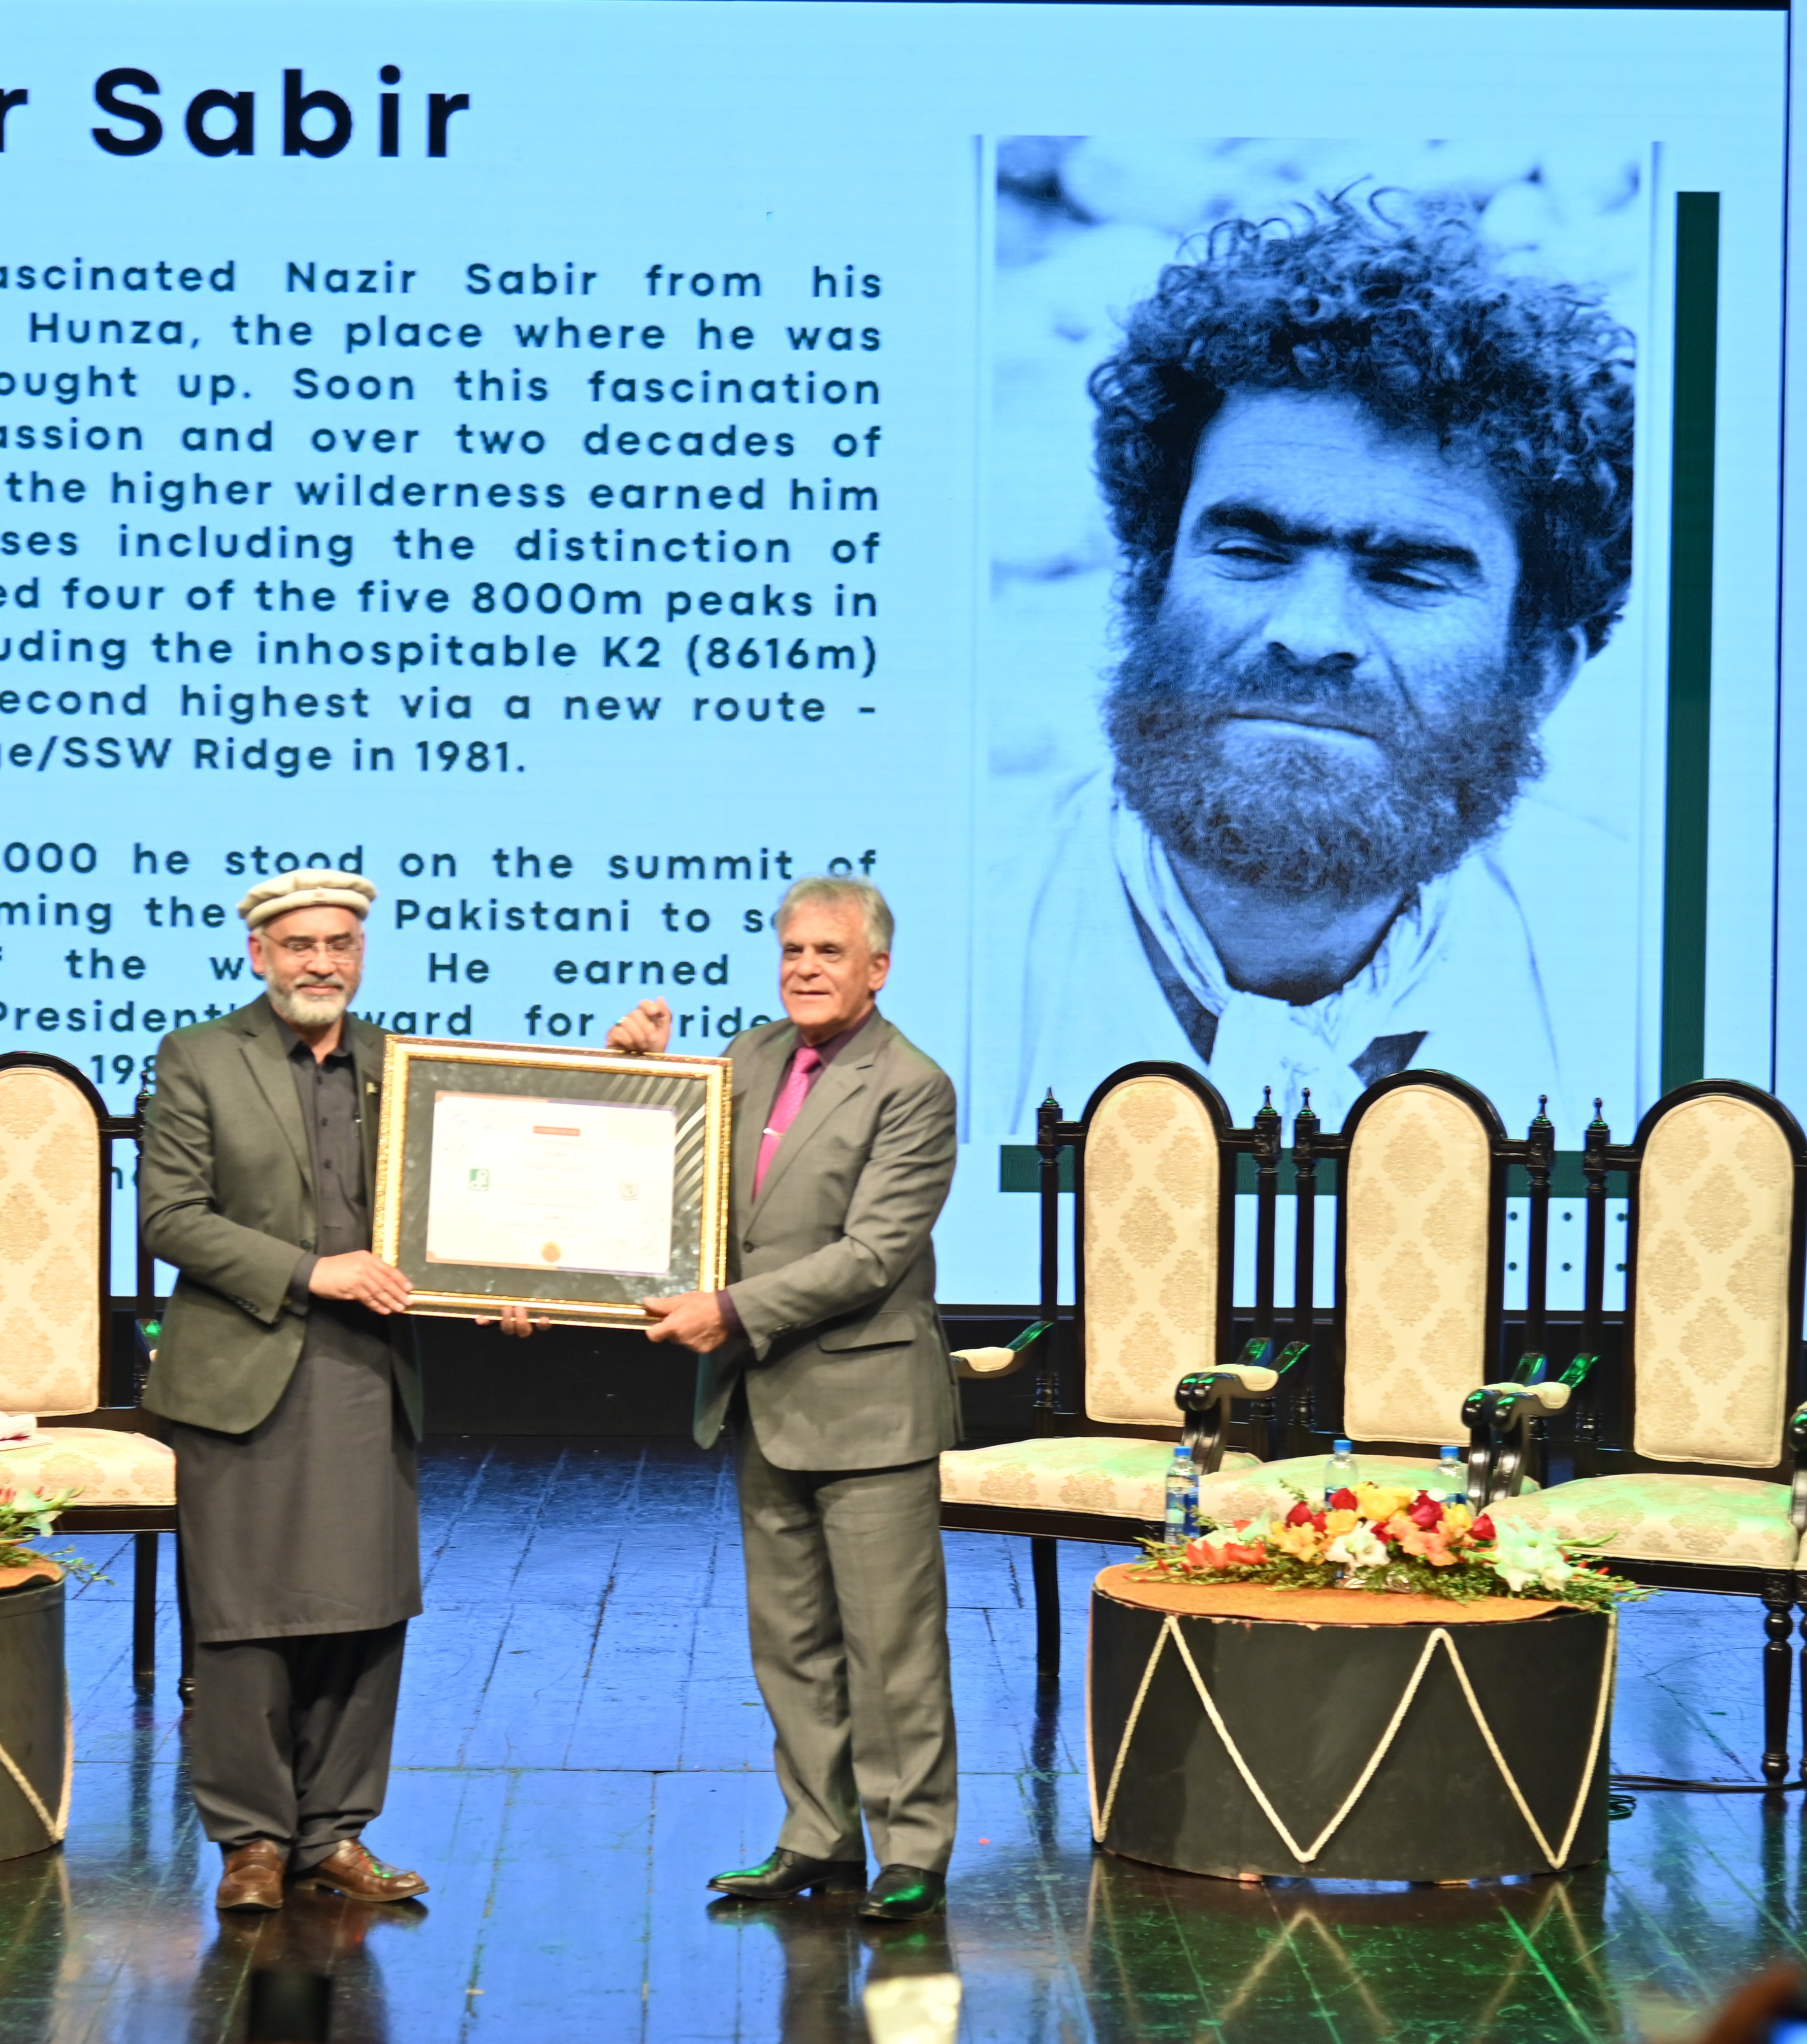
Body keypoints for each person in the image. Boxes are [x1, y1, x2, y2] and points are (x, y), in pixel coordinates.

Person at [997, 188, 1635, 1129]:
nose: (1308, 630)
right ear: (1147, 587)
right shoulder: (948, 938)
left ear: (1539, 671)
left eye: (1408, 575)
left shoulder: (1621, 974)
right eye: (1252, 553)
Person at [604, 874, 963, 1921]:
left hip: (868, 1404)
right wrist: (637, 1075)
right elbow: (678, 1177)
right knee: (791, 1641)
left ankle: (912, 1848)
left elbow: (872, 1255)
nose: (805, 968)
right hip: (766, 1398)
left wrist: (731, 1308)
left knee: (890, 1644)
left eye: (829, 953)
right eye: (793, 950)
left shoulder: (913, 1084)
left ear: (877, 969)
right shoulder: (752, 1057)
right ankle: (818, 1835)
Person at [139, 868, 432, 1915]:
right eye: (300, 943)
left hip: (366, 1371)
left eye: (341, 943)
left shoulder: (403, 1064)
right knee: (245, 1617)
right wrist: (313, 1269)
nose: (322, 962)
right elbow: (169, 1217)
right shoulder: (200, 1058)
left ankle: (336, 1832)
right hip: (246, 1367)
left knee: (365, 1609)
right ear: (258, 952)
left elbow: (463, 1202)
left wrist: (512, 1285)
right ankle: (253, 1840)